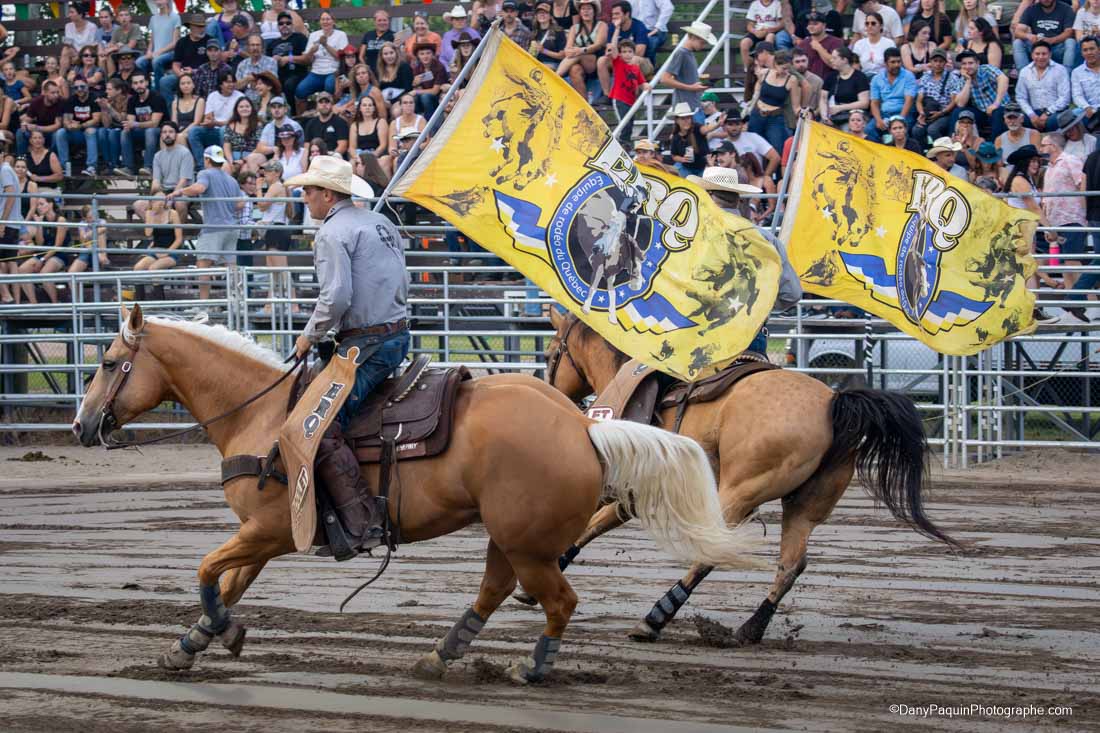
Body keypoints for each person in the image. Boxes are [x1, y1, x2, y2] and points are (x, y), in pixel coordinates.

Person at [285, 154, 409, 559]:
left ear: (326, 194)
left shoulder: (332, 233)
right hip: (396, 335)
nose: (304, 198)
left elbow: (336, 298)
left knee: (318, 425)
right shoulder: (379, 222)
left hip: (366, 346)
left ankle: (361, 521)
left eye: (308, 191)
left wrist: (308, 336)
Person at [684, 166, 800, 351]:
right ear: (737, 198)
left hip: (700, 335)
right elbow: (791, 293)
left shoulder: (691, 237)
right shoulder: (766, 239)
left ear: (707, 196)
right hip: (750, 333)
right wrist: (758, 307)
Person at [166, 146, 244, 300]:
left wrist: (179, 191)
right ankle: (237, 303)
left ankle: (204, 304)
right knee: (231, 267)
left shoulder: (204, 173)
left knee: (203, 266)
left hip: (214, 227)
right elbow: (240, 204)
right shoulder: (231, 179)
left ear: (207, 160)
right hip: (232, 228)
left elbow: (200, 188)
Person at [1003, 143, 1060, 323]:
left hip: (1027, 230)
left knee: (1030, 270)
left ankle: (1033, 310)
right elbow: (1033, 207)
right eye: (1032, 161)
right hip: (1021, 231)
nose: (1036, 164)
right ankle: (1032, 311)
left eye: (1037, 161)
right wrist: (1049, 228)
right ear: (1023, 163)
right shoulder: (1020, 181)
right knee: (1029, 270)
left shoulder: (1025, 180)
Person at [1041, 132, 1088, 289]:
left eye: (1043, 145)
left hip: (1072, 218)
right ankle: (1072, 304)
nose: (1040, 149)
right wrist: (1048, 225)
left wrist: (1084, 213)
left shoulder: (1070, 160)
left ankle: (1089, 302)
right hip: (1056, 221)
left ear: (1053, 146)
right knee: (1065, 264)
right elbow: (1047, 198)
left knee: (1073, 261)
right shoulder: (1049, 167)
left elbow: (1082, 184)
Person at [134, 122, 192, 222]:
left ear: (176, 135)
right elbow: (156, 182)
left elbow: (184, 181)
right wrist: (152, 200)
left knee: (180, 204)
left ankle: (177, 233)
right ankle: (158, 229)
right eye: (164, 132)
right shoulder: (158, 156)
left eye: (171, 132)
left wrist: (170, 198)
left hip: (182, 192)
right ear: (161, 135)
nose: (167, 134)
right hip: (164, 192)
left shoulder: (185, 153)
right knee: (138, 205)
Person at [661, 20, 715, 120]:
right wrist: (690, 87)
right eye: (702, 42)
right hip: (685, 111)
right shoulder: (681, 53)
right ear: (692, 37)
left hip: (694, 107)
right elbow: (665, 79)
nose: (703, 46)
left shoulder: (689, 54)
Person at [189, 70, 243, 171]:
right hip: (214, 130)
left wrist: (216, 122)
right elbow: (209, 117)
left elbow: (237, 121)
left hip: (232, 131)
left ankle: (225, 166)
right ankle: (202, 166)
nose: (231, 84)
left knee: (224, 130)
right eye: (227, 82)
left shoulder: (240, 97)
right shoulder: (213, 96)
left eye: (232, 82)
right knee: (194, 131)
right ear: (220, 84)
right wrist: (209, 123)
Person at [748, 49, 800, 152]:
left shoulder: (792, 80)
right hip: (757, 114)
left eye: (789, 69)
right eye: (784, 68)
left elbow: (796, 106)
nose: (786, 72)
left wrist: (801, 114)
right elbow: (758, 84)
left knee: (777, 149)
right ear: (775, 64)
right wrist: (755, 96)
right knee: (752, 147)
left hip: (775, 117)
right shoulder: (765, 73)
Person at [950, 49, 1009, 138]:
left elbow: (1004, 79)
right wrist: (968, 81)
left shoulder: (986, 69)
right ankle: (953, 142)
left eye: (970, 63)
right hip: (981, 112)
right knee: (958, 112)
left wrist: (996, 104)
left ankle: (994, 147)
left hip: (1000, 108)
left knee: (998, 112)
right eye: (964, 64)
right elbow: (960, 103)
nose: (967, 66)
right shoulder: (963, 79)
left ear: (977, 63)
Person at [118, 72, 168, 178]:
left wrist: (135, 124)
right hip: (141, 130)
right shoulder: (132, 100)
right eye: (135, 83)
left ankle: (148, 167)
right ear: (132, 86)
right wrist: (131, 125)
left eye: (141, 82)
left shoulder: (157, 97)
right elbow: (130, 122)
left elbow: (154, 123)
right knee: (125, 132)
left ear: (146, 82)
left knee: (150, 131)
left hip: (160, 130)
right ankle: (128, 167)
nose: (139, 85)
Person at [295, 11, 349, 108]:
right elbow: (307, 60)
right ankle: (301, 119)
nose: (325, 22)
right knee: (300, 90)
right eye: (323, 19)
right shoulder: (313, 35)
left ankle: (332, 114)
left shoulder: (341, 35)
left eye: (328, 19)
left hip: (334, 72)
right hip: (316, 72)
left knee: (329, 86)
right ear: (320, 22)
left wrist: (325, 45)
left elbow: (342, 57)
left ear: (333, 21)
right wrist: (311, 51)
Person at [1016, 41, 1071, 133]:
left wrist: (1047, 113)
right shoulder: (1024, 72)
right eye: (1037, 54)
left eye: (1044, 54)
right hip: (1034, 112)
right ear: (1032, 55)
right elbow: (1020, 97)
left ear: (1050, 55)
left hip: (1055, 112)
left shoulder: (1060, 70)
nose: (1040, 57)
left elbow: (1065, 98)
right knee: (1018, 120)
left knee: (1053, 121)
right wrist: (1031, 115)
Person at [604, 37, 649, 146]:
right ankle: (619, 145)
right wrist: (617, 28)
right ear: (619, 54)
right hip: (620, 99)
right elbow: (613, 47)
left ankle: (626, 145)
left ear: (634, 53)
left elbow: (641, 82)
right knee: (624, 124)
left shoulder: (635, 68)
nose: (627, 54)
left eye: (630, 52)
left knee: (630, 125)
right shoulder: (618, 63)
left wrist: (647, 86)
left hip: (631, 101)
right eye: (624, 52)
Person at [558, 0, 606, 97]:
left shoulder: (602, 25)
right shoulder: (574, 28)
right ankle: (585, 104)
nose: (586, 11)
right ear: (580, 12)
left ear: (594, 11)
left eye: (589, 9)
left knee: (578, 55)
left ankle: (556, 76)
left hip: (596, 62)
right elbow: (567, 49)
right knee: (574, 70)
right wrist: (572, 51)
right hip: (578, 62)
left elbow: (598, 45)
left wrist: (581, 50)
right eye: (583, 9)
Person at [161, 15, 213, 103]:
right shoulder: (182, 42)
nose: (202, 29)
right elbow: (175, 64)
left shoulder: (210, 40)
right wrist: (181, 75)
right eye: (199, 27)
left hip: (204, 75)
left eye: (203, 26)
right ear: (191, 27)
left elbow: (214, 63)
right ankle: (171, 114)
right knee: (164, 82)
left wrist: (195, 71)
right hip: (184, 75)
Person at [1014, 0, 1078, 71]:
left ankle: (1067, 76)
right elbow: (1017, 31)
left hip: (1057, 48)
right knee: (1018, 42)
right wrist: (1029, 36)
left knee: (1070, 41)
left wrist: (1052, 40)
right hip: (1037, 48)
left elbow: (1069, 32)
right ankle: (1024, 75)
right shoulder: (1031, 9)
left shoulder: (1066, 9)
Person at [55, 79, 100, 177]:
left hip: (91, 132)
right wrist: (69, 126)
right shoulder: (71, 100)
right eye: (76, 88)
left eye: (82, 86)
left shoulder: (94, 98)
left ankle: (92, 167)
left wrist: (81, 125)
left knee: (90, 131)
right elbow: (66, 120)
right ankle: (64, 167)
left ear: (87, 86)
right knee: (60, 132)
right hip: (77, 133)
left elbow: (96, 120)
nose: (79, 89)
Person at [869, 47, 916, 141]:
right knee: (869, 130)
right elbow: (874, 103)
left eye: (899, 61)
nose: (897, 65)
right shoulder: (877, 79)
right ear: (885, 63)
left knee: (900, 132)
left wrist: (900, 119)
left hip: (904, 112)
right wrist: (878, 120)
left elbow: (909, 100)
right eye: (893, 62)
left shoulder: (908, 76)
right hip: (884, 114)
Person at [913, 47, 958, 142]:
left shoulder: (952, 78)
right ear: (931, 62)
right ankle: (924, 152)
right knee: (916, 130)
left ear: (945, 62)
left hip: (945, 113)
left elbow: (954, 101)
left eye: (941, 61)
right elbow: (919, 100)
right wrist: (921, 113)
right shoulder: (925, 77)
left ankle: (943, 152)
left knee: (933, 130)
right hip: (928, 111)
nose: (938, 64)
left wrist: (941, 113)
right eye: (935, 61)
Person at [819, 47, 870, 129]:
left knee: (847, 129)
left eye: (835, 58)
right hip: (832, 115)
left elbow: (864, 103)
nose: (831, 60)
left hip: (852, 116)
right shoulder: (831, 76)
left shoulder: (860, 77)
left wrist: (840, 108)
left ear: (845, 60)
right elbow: (823, 98)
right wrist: (824, 115)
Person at [723, 107, 781, 176]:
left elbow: (775, 157)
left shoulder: (753, 137)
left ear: (742, 125)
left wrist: (765, 177)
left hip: (756, 181)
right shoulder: (722, 145)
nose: (734, 127)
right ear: (724, 126)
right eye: (730, 124)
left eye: (737, 124)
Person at [267, 12, 309, 104]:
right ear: (278, 26)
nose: (284, 25)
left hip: (297, 73)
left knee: (288, 84)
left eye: (288, 23)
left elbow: (307, 59)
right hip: (277, 75)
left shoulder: (300, 38)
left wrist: (288, 58)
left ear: (292, 25)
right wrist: (274, 60)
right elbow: (267, 63)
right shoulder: (272, 43)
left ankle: (292, 114)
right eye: (281, 23)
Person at [135, 194, 184, 272]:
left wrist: (166, 252)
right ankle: (140, 284)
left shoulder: (172, 214)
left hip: (172, 251)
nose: (160, 203)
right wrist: (152, 214)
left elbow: (179, 239)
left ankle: (158, 284)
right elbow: (148, 233)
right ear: (151, 202)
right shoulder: (150, 213)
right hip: (156, 250)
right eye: (156, 200)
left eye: (162, 200)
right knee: (138, 268)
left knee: (153, 268)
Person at [17, 82, 64, 157]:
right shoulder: (36, 102)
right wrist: (24, 124)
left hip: (51, 132)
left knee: (57, 134)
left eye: (57, 92)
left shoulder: (60, 102)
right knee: (20, 132)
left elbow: (57, 125)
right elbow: (28, 118)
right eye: (53, 93)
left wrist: (37, 128)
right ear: (45, 93)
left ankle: (49, 157)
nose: (56, 95)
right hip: (38, 132)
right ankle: (22, 158)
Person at [140, 0, 181, 86]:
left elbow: (175, 42)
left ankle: (159, 90)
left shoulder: (175, 17)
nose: (159, 1)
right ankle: (147, 87)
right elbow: (152, 40)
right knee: (139, 62)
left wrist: (159, 52)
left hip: (170, 53)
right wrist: (149, 51)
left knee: (156, 61)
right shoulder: (153, 18)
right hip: (156, 53)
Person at [349, 95, 391, 175]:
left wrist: (372, 156)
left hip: (376, 154)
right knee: (351, 164)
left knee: (384, 160)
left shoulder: (381, 122)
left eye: (370, 105)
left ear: (374, 108)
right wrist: (357, 157)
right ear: (360, 108)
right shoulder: (354, 125)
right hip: (360, 154)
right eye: (364, 105)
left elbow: (383, 145)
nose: (367, 107)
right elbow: (352, 147)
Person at [223, 96, 265, 175]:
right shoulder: (230, 125)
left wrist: (243, 161)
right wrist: (231, 162)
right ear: (237, 109)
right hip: (233, 157)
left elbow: (259, 147)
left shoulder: (258, 125)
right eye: (241, 107)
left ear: (252, 108)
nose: (244, 109)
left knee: (244, 170)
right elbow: (226, 147)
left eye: (247, 106)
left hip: (251, 156)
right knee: (225, 167)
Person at [95, 77, 129, 172]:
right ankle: (108, 163)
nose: (106, 92)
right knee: (101, 131)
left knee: (113, 133)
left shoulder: (127, 100)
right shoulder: (109, 100)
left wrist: (109, 107)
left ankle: (115, 164)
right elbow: (106, 125)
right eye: (106, 89)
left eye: (109, 89)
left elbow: (122, 119)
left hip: (126, 128)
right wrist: (103, 108)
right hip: (114, 129)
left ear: (118, 90)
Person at [742, 0, 784, 77]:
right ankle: (748, 72)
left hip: (771, 31)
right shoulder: (755, 4)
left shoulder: (777, 4)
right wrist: (755, 32)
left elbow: (781, 24)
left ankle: (767, 69)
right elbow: (750, 25)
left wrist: (769, 30)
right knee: (744, 43)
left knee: (768, 41)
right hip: (757, 31)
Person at [798, 12, 842, 83]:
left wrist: (819, 48)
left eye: (815, 24)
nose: (811, 26)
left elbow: (835, 64)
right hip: (808, 84)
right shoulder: (803, 44)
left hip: (829, 85)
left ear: (824, 25)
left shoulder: (836, 42)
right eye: (809, 24)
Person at [303, 92, 349, 157]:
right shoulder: (310, 124)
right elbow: (307, 147)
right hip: (315, 158)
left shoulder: (340, 122)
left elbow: (342, 146)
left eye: (327, 102)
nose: (324, 105)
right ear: (316, 106)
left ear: (332, 105)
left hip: (334, 158)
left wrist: (329, 158)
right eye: (321, 102)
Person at [669, 102, 707, 176]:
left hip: (703, 167)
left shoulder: (697, 128)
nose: (686, 121)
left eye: (688, 118)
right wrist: (682, 159)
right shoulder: (675, 137)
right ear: (677, 120)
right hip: (686, 168)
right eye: (683, 118)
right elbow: (674, 155)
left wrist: (717, 124)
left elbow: (706, 129)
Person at [410, 43, 448, 116]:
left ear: (433, 54)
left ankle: (430, 123)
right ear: (418, 56)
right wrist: (415, 84)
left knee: (425, 97)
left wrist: (416, 91)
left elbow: (435, 91)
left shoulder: (439, 67)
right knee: (413, 98)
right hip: (423, 96)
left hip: (439, 97)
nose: (425, 56)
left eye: (428, 53)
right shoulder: (417, 68)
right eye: (422, 54)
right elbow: (418, 88)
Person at [853, 11, 897, 76]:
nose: (870, 26)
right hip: (863, 78)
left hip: (884, 77)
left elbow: (893, 65)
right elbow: (854, 65)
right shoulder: (859, 44)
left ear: (881, 26)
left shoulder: (889, 43)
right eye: (867, 23)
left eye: (873, 23)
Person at [1072, 35, 1100, 132]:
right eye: (1085, 50)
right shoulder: (1076, 72)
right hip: (1089, 110)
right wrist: (1087, 107)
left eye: (1092, 49)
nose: (1089, 53)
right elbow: (1077, 95)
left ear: (1099, 49)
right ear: (1081, 53)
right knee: (1072, 115)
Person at [62, 2, 98, 76]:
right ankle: (60, 78)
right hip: (74, 54)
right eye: (69, 12)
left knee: (87, 52)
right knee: (65, 50)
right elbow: (68, 44)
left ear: (80, 14)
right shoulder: (68, 26)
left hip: (88, 54)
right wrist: (76, 55)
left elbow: (91, 46)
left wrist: (79, 56)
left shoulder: (92, 27)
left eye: (72, 12)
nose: (69, 15)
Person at [376, 42, 414, 106]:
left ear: (396, 53)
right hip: (383, 101)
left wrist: (392, 102)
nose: (389, 56)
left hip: (401, 99)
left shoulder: (404, 67)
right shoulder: (379, 69)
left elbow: (408, 89)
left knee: (396, 111)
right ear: (381, 56)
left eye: (391, 53)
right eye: (385, 54)